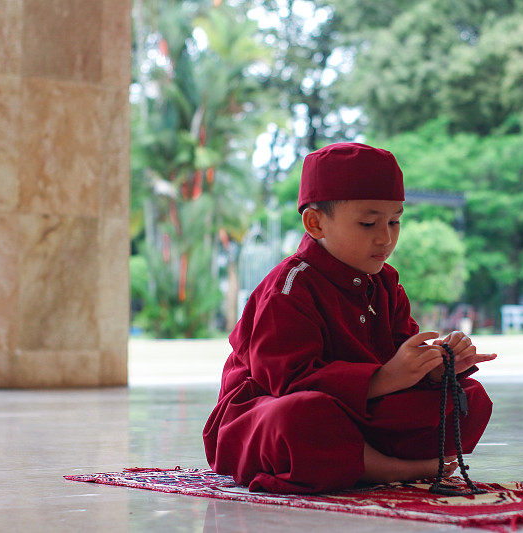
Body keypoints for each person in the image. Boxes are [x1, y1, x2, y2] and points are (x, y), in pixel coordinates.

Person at [203, 142, 496, 494]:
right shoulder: (289, 288)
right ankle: (389, 469)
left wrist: (434, 368)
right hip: (270, 416)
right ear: (315, 223)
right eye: (368, 222)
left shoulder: (386, 284)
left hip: (358, 417)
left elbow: (401, 360)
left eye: (394, 221)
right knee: (304, 417)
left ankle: (357, 462)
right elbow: (288, 384)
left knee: (470, 398)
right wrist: (385, 378)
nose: (385, 237)